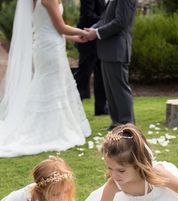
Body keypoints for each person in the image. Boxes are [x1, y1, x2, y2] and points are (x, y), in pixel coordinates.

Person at [0, 0, 91, 158]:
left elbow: (48, 27)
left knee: (48, 87)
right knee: (53, 87)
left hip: (45, 46)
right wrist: (84, 33)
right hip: (51, 49)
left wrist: (74, 37)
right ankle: (53, 130)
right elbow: (60, 27)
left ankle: (49, 126)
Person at [80, 0, 138, 130]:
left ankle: (127, 125)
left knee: (120, 91)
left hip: (117, 50)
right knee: (111, 91)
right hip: (108, 50)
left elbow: (120, 22)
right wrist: (93, 29)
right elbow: (105, 19)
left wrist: (97, 33)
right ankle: (117, 124)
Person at [74, 0, 108, 116]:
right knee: (83, 75)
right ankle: (74, 106)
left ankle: (101, 108)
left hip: (99, 40)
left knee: (101, 75)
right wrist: (106, 22)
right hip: (87, 39)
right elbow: (87, 15)